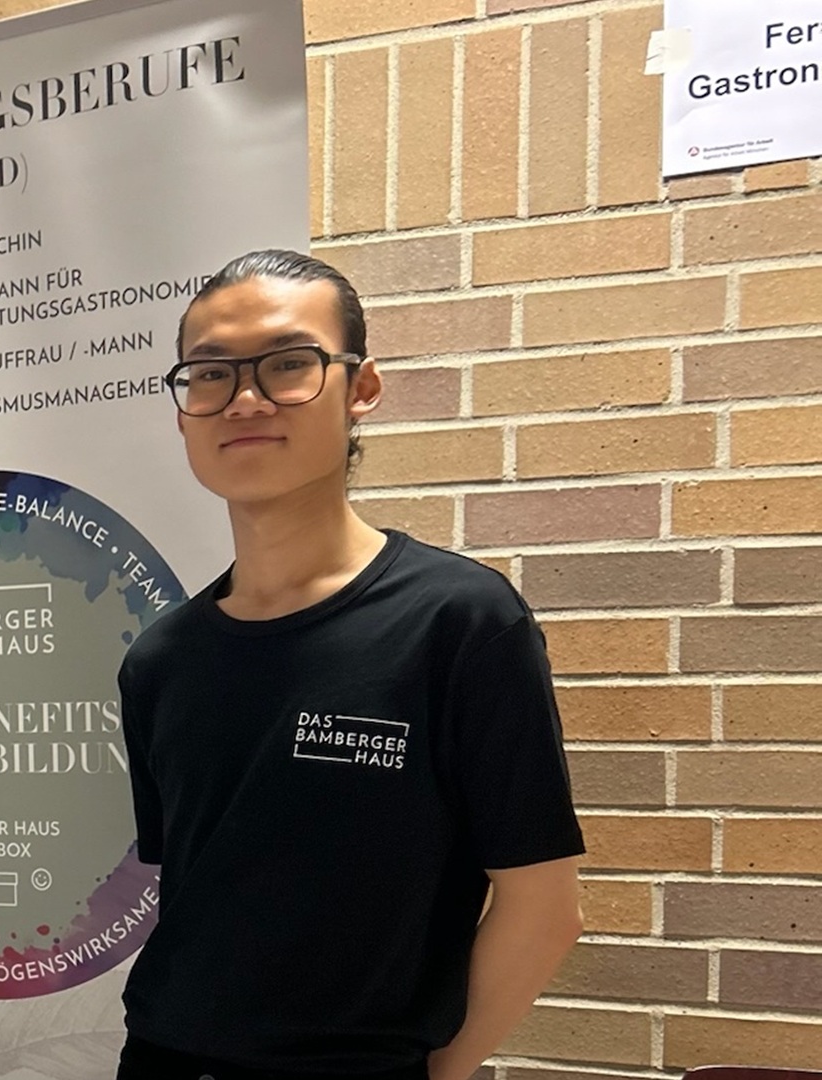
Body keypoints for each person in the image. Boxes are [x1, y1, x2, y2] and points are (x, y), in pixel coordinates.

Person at [116, 250, 584, 1080]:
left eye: (288, 364)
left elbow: (543, 908)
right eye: (211, 374)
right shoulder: (160, 660)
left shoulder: (460, 621)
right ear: (184, 413)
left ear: (360, 388)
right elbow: (201, 897)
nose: (246, 399)